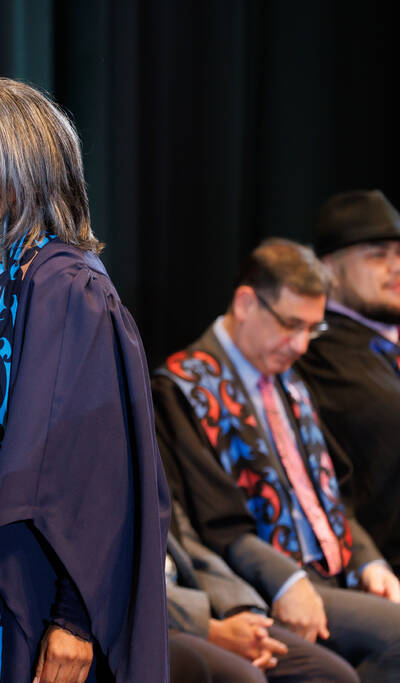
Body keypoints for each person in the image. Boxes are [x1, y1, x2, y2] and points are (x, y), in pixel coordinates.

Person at [0, 78, 169, 683]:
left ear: (9, 174)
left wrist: (74, 618)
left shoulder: (65, 287)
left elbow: (98, 474)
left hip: (32, 603)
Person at [153, 238, 400, 681]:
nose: (302, 345)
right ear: (247, 303)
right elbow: (217, 526)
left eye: (312, 329)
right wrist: (289, 582)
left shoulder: (290, 381)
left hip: (333, 573)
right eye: (291, 325)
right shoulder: (183, 389)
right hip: (261, 586)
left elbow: (331, 490)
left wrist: (369, 561)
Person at [294, 190, 400, 575]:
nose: (396, 267)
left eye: (399, 253)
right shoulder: (314, 352)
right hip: (377, 566)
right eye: (377, 255)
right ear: (330, 271)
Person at [166, 504, 358, 682]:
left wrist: (240, 612)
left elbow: (193, 550)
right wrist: (208, 628)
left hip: (200, 602)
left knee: (329, 674)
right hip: (160, 618)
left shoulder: (157, 473)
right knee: (244, 677)